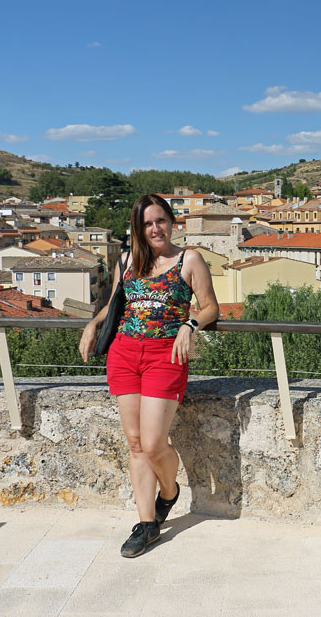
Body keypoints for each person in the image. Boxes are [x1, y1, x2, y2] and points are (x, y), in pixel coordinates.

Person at [80, 194, 219, 558]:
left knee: (155, 443)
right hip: (124, 353)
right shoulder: (126, 260)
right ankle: (146, 524)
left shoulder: (189, 259)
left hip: (165, 355)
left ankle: (169, 492)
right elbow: (114, 303)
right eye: (147, 223)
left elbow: (210, 307)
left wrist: (190, 324)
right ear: (137, 229)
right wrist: (92, 325)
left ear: (172, 222)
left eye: (161, 220)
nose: (155, 228)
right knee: (136, 443)